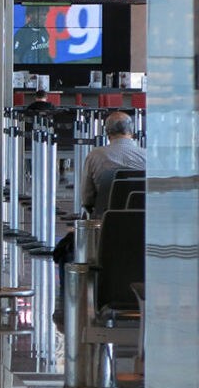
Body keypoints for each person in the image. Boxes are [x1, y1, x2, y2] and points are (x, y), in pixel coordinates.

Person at [52, 111, 145, 324]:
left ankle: (69, 311)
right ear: (132, 131)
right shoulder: (148, 157)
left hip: (105, 232)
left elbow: (87, 199)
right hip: (144, 233)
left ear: (107, 132)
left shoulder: (95, 156)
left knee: (67, 253)